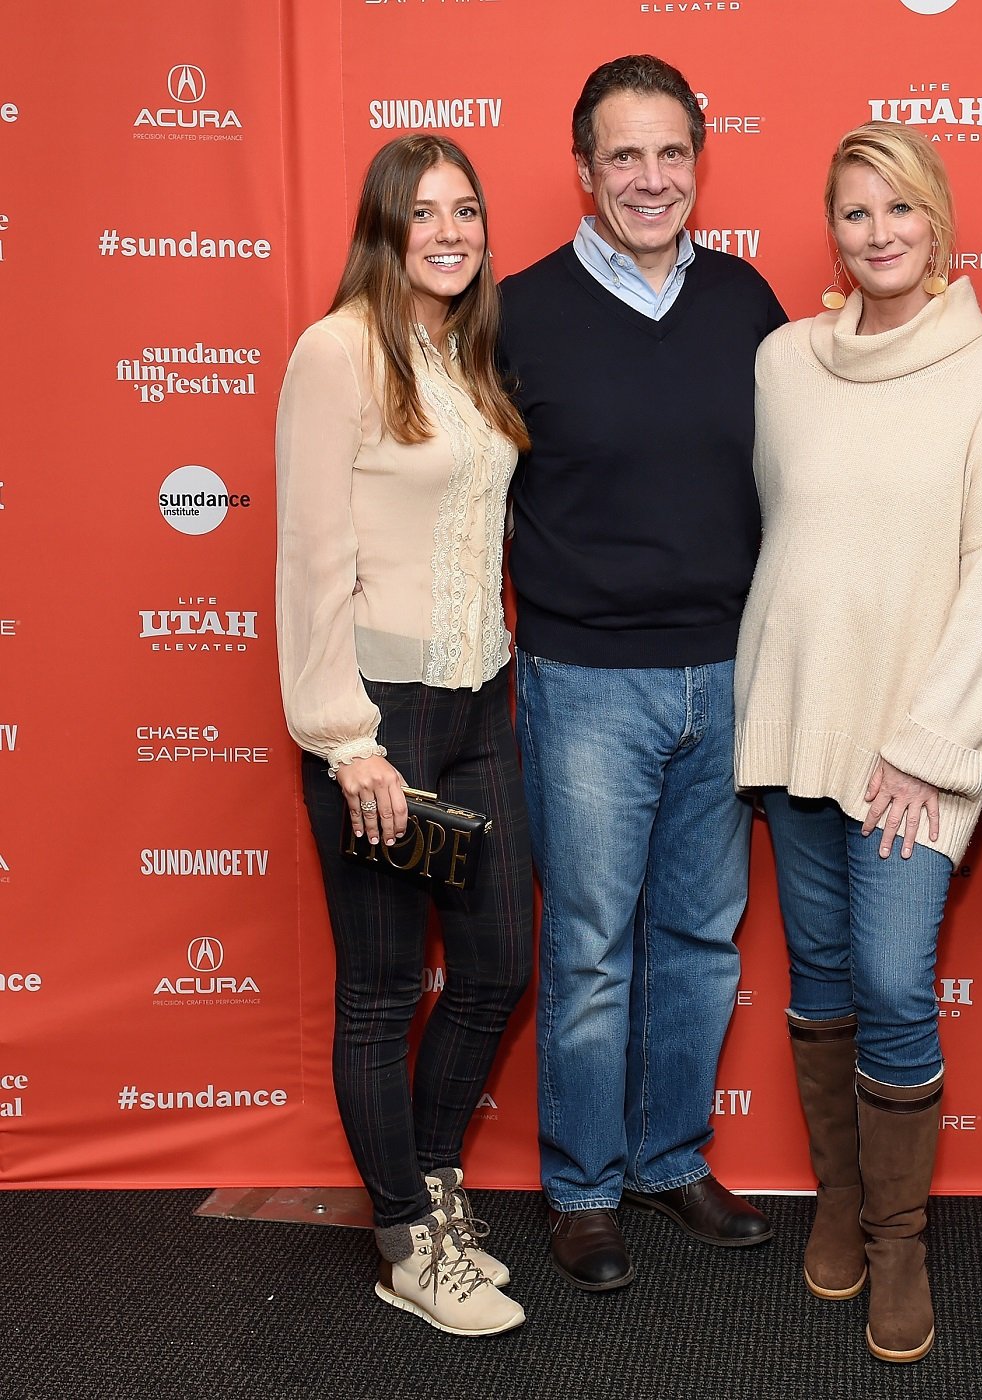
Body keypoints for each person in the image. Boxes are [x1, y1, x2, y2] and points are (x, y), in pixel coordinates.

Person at [735, 122, 982, 1364]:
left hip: (915, 744)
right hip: (794, 721)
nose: (878, 234)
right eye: (855, 214)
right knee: (819, 980)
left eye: (899, 211)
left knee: (895, 981)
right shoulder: (780, 363)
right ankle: (842, 1204)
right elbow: (784, 540)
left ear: (938, 220)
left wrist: (927, 741)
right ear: (833, 228)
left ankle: (901, 1238)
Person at [496, 54, 787, 1293]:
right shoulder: (515, 311)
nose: (651, 178)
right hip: (585, 683)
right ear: (583, 168)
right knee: (591, 948)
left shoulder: (747, 301)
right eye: (625, 155)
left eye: (671, 152)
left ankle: (671, 1156)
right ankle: (583, 1185)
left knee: (701, 939)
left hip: (726, 674)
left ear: (698, 159)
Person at [275, 133, 532, 1336]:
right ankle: (401, 1238)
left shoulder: (463, 351)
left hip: (480, 699)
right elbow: (314, 557)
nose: (449, 230)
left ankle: (433, 1184)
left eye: (466, 210)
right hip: (382, 720)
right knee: (384, 990)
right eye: (422, 211)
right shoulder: (337, 352)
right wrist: (346, 737)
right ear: (383, 227)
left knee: (493, 969)